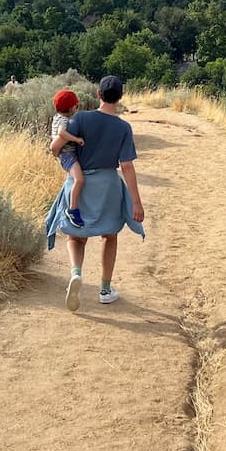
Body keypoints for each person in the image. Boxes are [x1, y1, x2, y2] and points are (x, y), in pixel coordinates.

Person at [45, 75, 145, 310]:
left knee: (75, 237)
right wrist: (136, 203)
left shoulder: (80, 118)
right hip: (107, 185)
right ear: (120, 98)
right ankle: (105, 289)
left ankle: (76, 273)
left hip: (78, 184)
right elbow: (127, 166)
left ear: (98, 95)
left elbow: (56, 147)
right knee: (109, 235)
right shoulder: (123, 127)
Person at [49, 88, 87, 226]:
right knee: (79, 179)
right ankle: (73, 209)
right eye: (76, 106)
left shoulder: (57, 117)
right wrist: (76, 139)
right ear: (72, 108)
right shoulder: (64, 121)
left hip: (65, 154)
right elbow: (62, 134)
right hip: (67, 155)